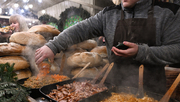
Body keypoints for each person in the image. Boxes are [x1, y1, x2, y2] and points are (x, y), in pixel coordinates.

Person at [35, 0, 180, 94]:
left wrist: (142, 52)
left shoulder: (168, 12)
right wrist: (53, 46)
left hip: (152, 91)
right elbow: (79, 30)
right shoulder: (108, 14)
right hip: (113, 89)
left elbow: (177, 51)